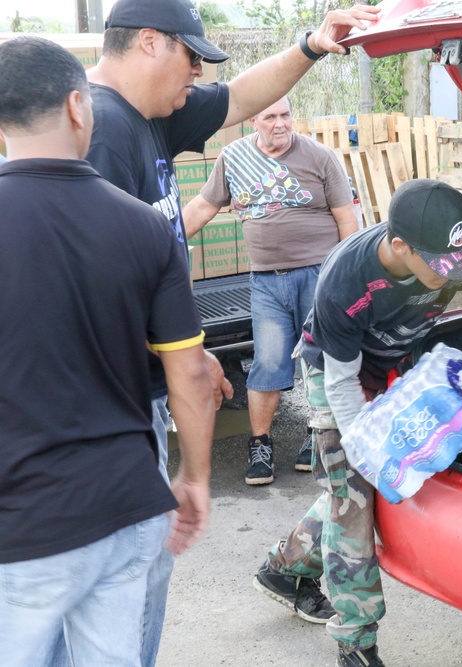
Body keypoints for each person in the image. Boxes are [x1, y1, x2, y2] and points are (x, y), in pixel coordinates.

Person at [82, 1, 381, 664]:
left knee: (145, 575)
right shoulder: (102, 131)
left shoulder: (154, 115)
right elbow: (102, 284)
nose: (198, 75)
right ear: (150, 44)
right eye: (192, 58)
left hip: (147, 389)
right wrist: (179, 368)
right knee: (127, 583)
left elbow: (242, 95)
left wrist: (310, 45)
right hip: (117, 404)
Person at [0, 36, 215, 665]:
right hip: (126, 509)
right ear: (77, 106)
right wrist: (195, 477)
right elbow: (191, 377)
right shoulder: (144, 226)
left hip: (23, 520)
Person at [253, 179, 462, 667]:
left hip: (389, 366)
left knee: (349, 488)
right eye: (440, 268)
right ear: (400, 246)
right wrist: (366, 444)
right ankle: (355, 644)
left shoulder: (459, 253)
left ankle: (284, 567)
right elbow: (340, 382)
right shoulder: (346, 279)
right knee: (355, 491)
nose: (452, 277)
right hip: (332, 371)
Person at [183, 96, 360, 485]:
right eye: (270, 117)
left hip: (319, 275)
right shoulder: (233, 158)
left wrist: (345, 278)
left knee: (319, 360)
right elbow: (202, 207)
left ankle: (317, 436)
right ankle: (261, 443)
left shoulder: (319, 156)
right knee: (268, 361)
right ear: (252, 121)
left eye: (285, 115)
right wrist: (160, 239)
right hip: (265, 280)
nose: (279, 124)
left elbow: (348, 219)